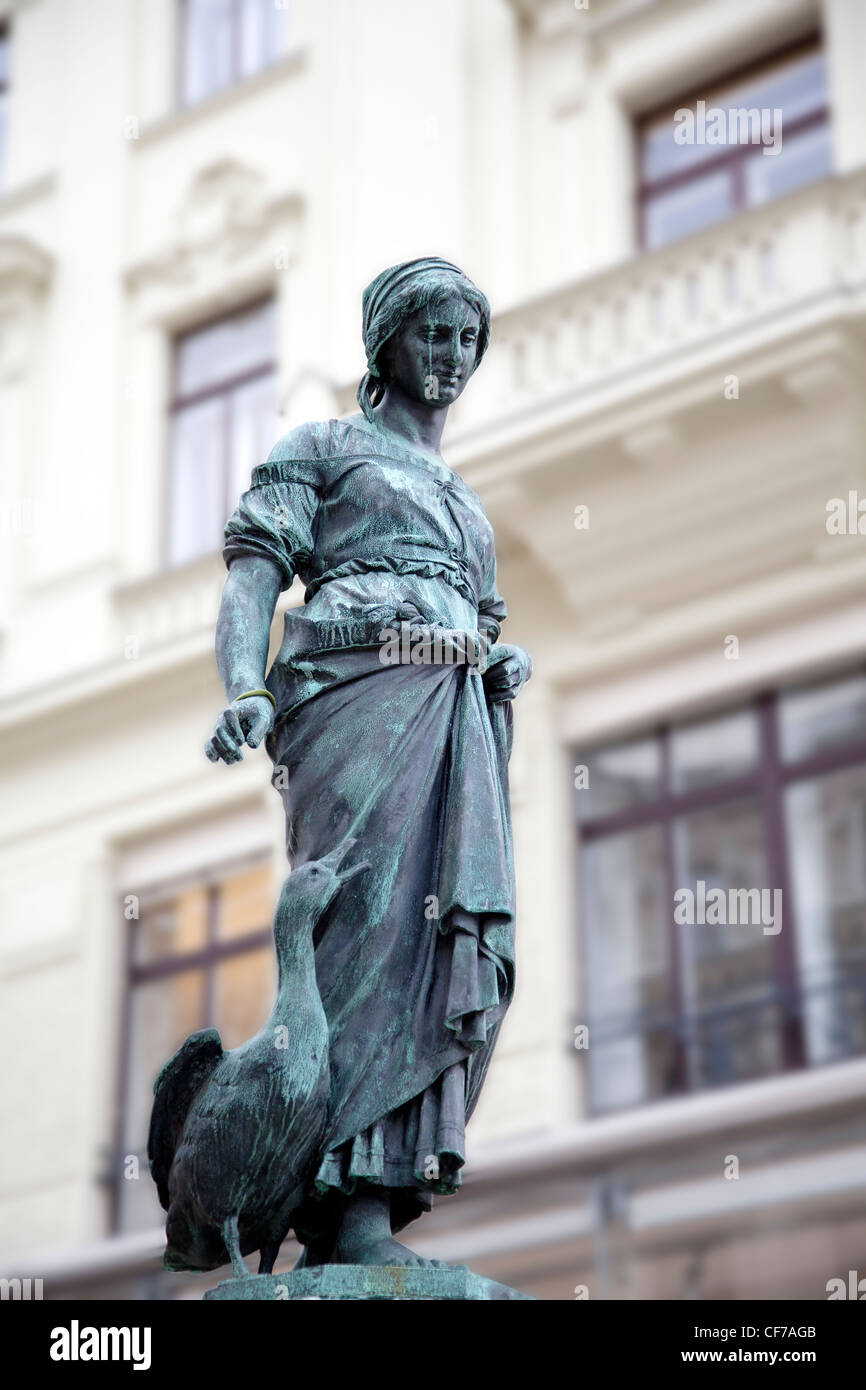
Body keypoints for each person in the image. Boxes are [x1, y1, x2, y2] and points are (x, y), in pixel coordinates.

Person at [205, 257, 532, 1267]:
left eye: (467, 339)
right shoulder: (324, 447)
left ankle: (376, 1200)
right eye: (434, 333)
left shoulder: (466, 504)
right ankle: (330, 1205)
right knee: (355, 930)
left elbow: (476, 620)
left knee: (432, 949)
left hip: (450, 720)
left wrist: (496, 662)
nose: (452, 355)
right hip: (352, 704)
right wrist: (244, 686)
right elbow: (252, 577)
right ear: (385, 341)